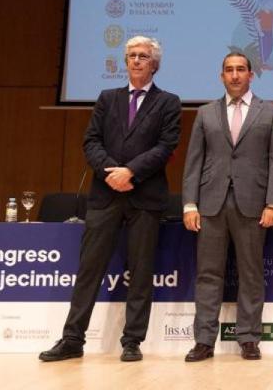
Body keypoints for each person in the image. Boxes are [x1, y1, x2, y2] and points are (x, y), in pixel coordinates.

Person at [39, 36, 182, 363]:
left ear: (154, 64)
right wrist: (111, 174)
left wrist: (130, 172)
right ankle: (72, 339)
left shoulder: (168, 102)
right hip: (105, 195)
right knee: (89, 269)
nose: (136, 60)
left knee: (141, 272)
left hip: (145, 197)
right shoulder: (107, 98)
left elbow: (166, 146)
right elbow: (91, 141)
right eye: (131, 55)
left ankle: (132, 341)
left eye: (143, 56)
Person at [181, 53, 273, 361]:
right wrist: (189, 204)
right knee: (208, 274)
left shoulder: (271, 113)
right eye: (229, 70)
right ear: (222, 76)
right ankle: (204, 341)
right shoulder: (205, 113)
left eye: (241, 69)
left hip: (253, 205)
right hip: (210, 204)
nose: (235, 75)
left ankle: (249, 338)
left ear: (251, 75)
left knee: (251, 274)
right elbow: (193, 162)